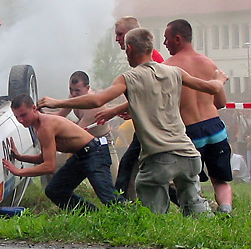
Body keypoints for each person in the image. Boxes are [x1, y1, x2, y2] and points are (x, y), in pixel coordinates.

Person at [38, 28, 228, 215]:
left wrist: (58, 102)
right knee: (195, 209)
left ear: (128, 49)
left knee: (151, 214)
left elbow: (96, 100)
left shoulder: (128, 78)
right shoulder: (175, 72)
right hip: (188, 155)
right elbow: (211, 88)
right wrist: (219, 79)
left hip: (159, 157)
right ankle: (210, 221)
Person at [3, 94, 123, 211]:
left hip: (95, 152)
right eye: (17, 117)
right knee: (55, 190)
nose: (21, 120)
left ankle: (132, 217)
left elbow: (49, 166)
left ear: (34, 108)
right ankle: (93, 215)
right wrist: (20, 157)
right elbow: (44, 157)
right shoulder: (37, 127)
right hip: (81, 156)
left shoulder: (46, 126)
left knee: (109, 197)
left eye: (23, 115)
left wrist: (20, 172)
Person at [163, 19, 233, 214]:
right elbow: (220, 102)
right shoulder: (209, 63)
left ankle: (201, 209)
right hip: (215, 128)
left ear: (178, 39)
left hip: (191, 132)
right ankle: (226, 210)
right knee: (220, 180)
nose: (164, 44)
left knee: (186, 180)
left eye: (166, 39)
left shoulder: (168, 68)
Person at [97, 16, 165, 200]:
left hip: (153, 126)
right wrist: (130, 108)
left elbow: (152, 96)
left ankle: (124, 208)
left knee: (130, 169)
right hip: (148, 125)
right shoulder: (143, 59)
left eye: (120, 34)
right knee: (137, 170)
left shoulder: (153, 61)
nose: (117, 39)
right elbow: (143, 96)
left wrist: (114, 110)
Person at [53, 71, 119, 182]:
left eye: (77, 91)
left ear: (87, 88)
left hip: (103, 145)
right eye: (71, 90)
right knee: (58, 177)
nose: (73, 94)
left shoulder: (94, 106)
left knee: (114, 183)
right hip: (85, 145)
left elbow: (76, 133)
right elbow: (59, 116)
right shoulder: (73, 97)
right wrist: (39, 116)